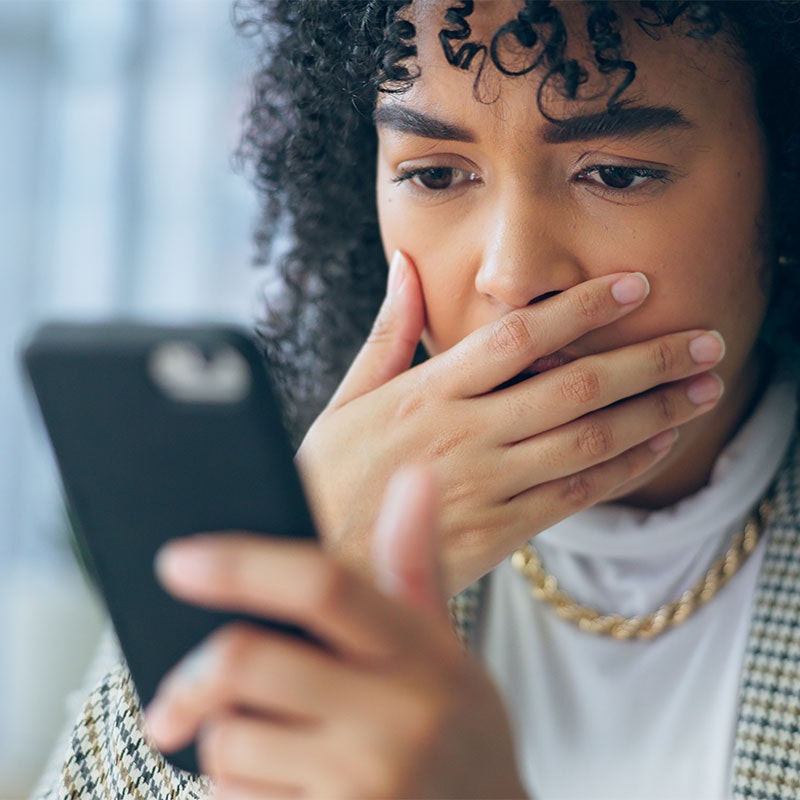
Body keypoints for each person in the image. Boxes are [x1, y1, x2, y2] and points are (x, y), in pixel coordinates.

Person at [38, 1, 800, 798]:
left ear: (781, 181)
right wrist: (299, 585)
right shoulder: (301, 497)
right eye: (435, 175)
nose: (511, 274)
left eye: (614, 174)